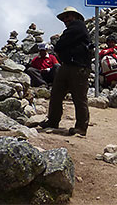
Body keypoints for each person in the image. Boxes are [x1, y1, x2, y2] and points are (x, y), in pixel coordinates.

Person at [39, 7, 93, 136]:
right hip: (70, 66)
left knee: (77, 97)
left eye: (67, 17)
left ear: (74, 16)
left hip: (77, 67)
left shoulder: (78, 26)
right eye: (64, 18)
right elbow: (60, 45)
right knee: (59, 94)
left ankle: (79, 127)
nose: (65, 20)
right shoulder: (74, 29)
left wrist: (61, 45)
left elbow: (59, 45)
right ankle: (54, 121)